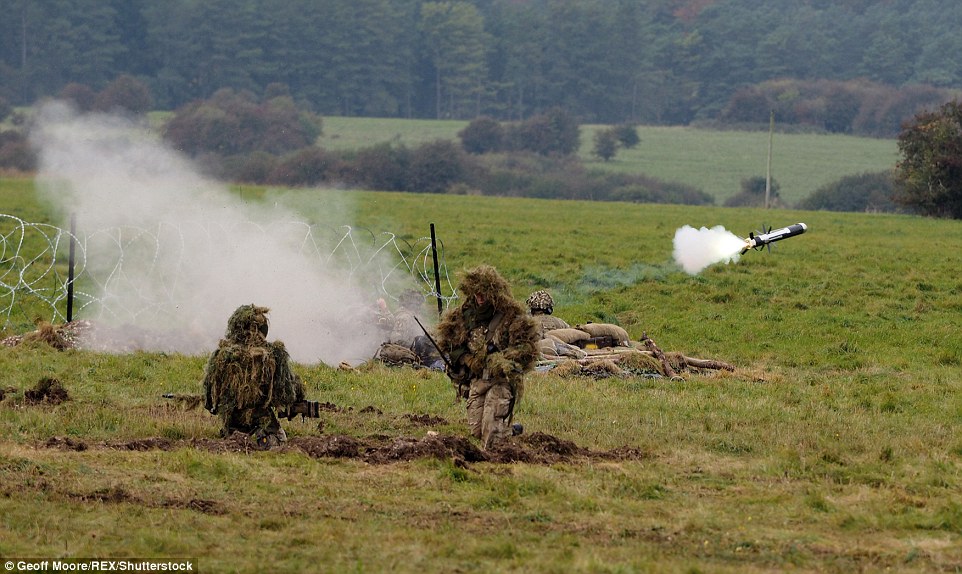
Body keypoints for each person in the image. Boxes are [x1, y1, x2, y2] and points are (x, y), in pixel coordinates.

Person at [437, 265, 540, 449]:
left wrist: (501, 360)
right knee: (476, 431)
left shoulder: (510, 315)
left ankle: (499, 431)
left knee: (490, 436)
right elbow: (451, 345)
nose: (480, 297)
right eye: (476, 293)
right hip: (478, 381)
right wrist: (467, 360)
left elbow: (526, 347)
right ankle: (511, 430)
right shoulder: (465, 314)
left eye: (483, 293)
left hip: (501, 381)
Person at [202, 304, 307, 449]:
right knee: (279, 440)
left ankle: (236, 438)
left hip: (232, 425)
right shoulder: (273, 353)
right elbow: (286, 395)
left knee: (233, 436)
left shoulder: (221, 355)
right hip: (263, 423)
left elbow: (209, 401)